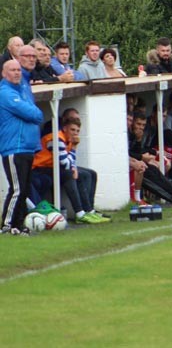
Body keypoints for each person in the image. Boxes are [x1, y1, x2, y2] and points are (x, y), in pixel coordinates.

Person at [32, 116, 110, 224]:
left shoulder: (67, 139)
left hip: (53, 167)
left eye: (77, 131)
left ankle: (89, 210)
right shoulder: (56, 138)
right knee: (69, 174)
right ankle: (79, 213)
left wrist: (73, 167)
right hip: (39, 168)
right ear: (64, 129)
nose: (75, 133)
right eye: (72, 130)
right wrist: (73, 148)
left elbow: (68, 163)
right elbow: (65, 163)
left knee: (91, 173)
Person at [0, 60, 43, 235]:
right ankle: (7, 224)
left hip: (27, 147)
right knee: (17, 189)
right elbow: (34, 113)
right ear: (4, 73)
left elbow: (35, 113)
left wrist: (33, 113)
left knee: (24, 188)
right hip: (14, 147)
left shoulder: (22, 90)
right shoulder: (5, 93)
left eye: (18, 70)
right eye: (13, 70)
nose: (17, 73)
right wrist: (33, 113)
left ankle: (18, 225)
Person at [128, 111, 172, 206]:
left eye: (143, 125)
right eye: (138, 124)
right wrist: (141, 157)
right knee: (145, 169)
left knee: (153, 168)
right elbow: (125, 154)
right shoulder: (125, 134)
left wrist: (139, 141)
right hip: (128, 165)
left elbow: (136, 151)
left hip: (135, 161)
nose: (140, 127)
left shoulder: (134, 134)